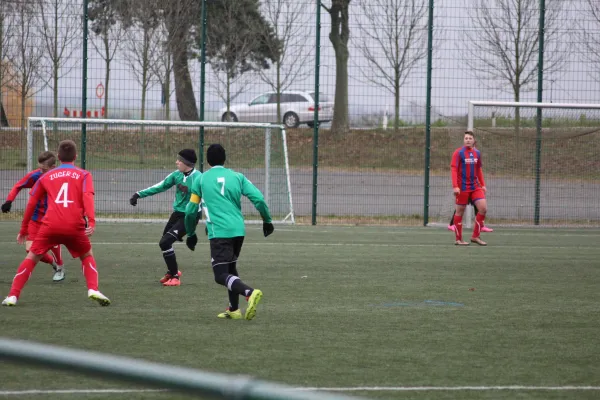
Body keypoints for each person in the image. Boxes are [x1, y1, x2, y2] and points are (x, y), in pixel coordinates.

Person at [2, 140, 110, 306]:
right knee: (87, 256)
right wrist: (92, 222)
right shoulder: (84, 175)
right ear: (75, 156)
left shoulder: (45, 176)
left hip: (50, 225)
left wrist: (23, 229)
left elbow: (31, 203)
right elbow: (88, 196)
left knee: (31, 257)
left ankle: (12, 296)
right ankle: (93, 289)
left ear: (58, 157)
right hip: (75, 226)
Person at [184, 144, 274, 321]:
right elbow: (259, 199)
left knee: (220, 275)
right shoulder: (238, 177)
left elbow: (190, 210)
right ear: (224, 159)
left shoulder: (200, 180)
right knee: (231, 268)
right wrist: (267, 220)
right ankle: (234, 309)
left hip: (219, 232)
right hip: (238, 230)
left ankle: (249, 292)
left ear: (207, 161)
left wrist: (190, 233)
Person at [129, 149, 201, 286]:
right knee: (164, 242)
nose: (176, 162)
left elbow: (207, 200)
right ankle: (172, 271)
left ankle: (175, 277)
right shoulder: (176, 175)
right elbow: (160, 186)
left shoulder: (199, 178)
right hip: (177, 214)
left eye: (179, 160)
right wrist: (138, 194)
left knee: (165, 242)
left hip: (190, 216)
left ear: (186, 163)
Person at [1, 151, 65, 281]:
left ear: (52, 168)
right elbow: (18, 186)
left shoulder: (59, 177)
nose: (41, 171)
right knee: (30, 249)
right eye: (39, 168)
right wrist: (9, 201)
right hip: (35, 218)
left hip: (52, 217)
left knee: (53, 243)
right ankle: (53, 263)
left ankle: (60, 266)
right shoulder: (35, 176)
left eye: (44, 169)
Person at [450, 131, 489, 246]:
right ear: (463, 140)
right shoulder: (458, 153)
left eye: (470, 138)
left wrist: (483, 184)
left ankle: (475, 236)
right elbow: (453, 170)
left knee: (483, 208)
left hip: (475, 187)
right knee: (459, 212)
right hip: (462, 188)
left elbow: (479, 170)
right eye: (466, 138)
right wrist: (455, 186)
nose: (467, 140)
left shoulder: (477, 153)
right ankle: (459, 239)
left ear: (473, 140)